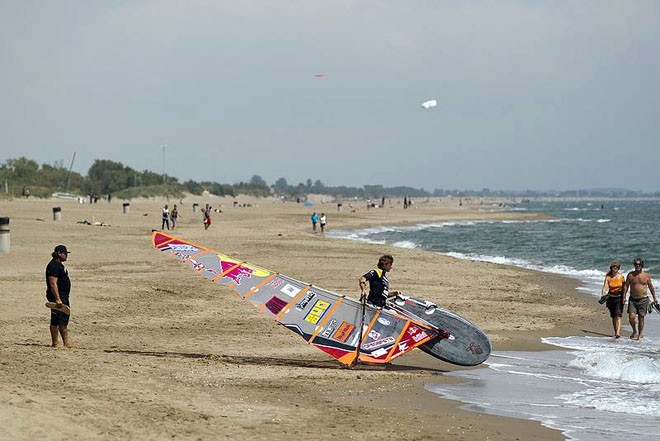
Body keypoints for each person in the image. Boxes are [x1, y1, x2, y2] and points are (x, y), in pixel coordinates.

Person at [46, 245, 72, 348]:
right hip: (58, 297)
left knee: (64, 319)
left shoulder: (58, 265)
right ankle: (55, 343)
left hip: (63, 296)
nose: (66, 256)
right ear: (60, 254)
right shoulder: (54, 266)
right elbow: (53, 283)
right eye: (65, 254)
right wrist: (57, 298)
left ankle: (66, 342)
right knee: (56, 320)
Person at [624, 258, 658, 340]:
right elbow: (626, 286)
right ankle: (634, 330)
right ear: (634, 265)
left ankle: (640, 335)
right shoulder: (630, 275)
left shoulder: (646, 276)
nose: (637, 266)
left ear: (642, 265)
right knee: (631, 317)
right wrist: (624, 297)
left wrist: (654, 298)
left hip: (643, 300)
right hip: (632, 299)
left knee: (641, 318)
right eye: (636, 264)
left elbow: (651, 287)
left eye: (639, 264)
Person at [599, 261, 625, 338]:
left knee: (618, 315)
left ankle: (618, 333)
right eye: (614, 267)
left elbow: (624, 288)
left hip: (619, 298)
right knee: (613, 316)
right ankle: (615, 331)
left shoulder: (621, 277)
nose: (615, 268)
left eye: (617, 267)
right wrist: (603, 293)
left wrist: (624, 297)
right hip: (610, 298)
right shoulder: (608, 277)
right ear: (611, 268)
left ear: (618, 268)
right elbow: (605, 286)